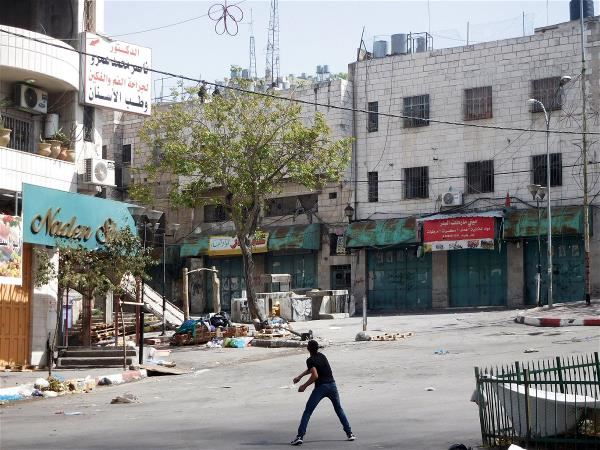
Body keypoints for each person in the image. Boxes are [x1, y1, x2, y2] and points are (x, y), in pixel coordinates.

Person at [290, 339, 355, 446]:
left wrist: (304, 386)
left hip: (321, 388)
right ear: (317, 348)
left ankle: (300, 436)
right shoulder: (322, 356)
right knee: (339, 409)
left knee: (308, 411)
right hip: (332, 386)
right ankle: (350, 433)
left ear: (308, 349)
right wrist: (300, 376)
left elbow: (315, 375)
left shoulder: (310, 360)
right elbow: (312, 369)